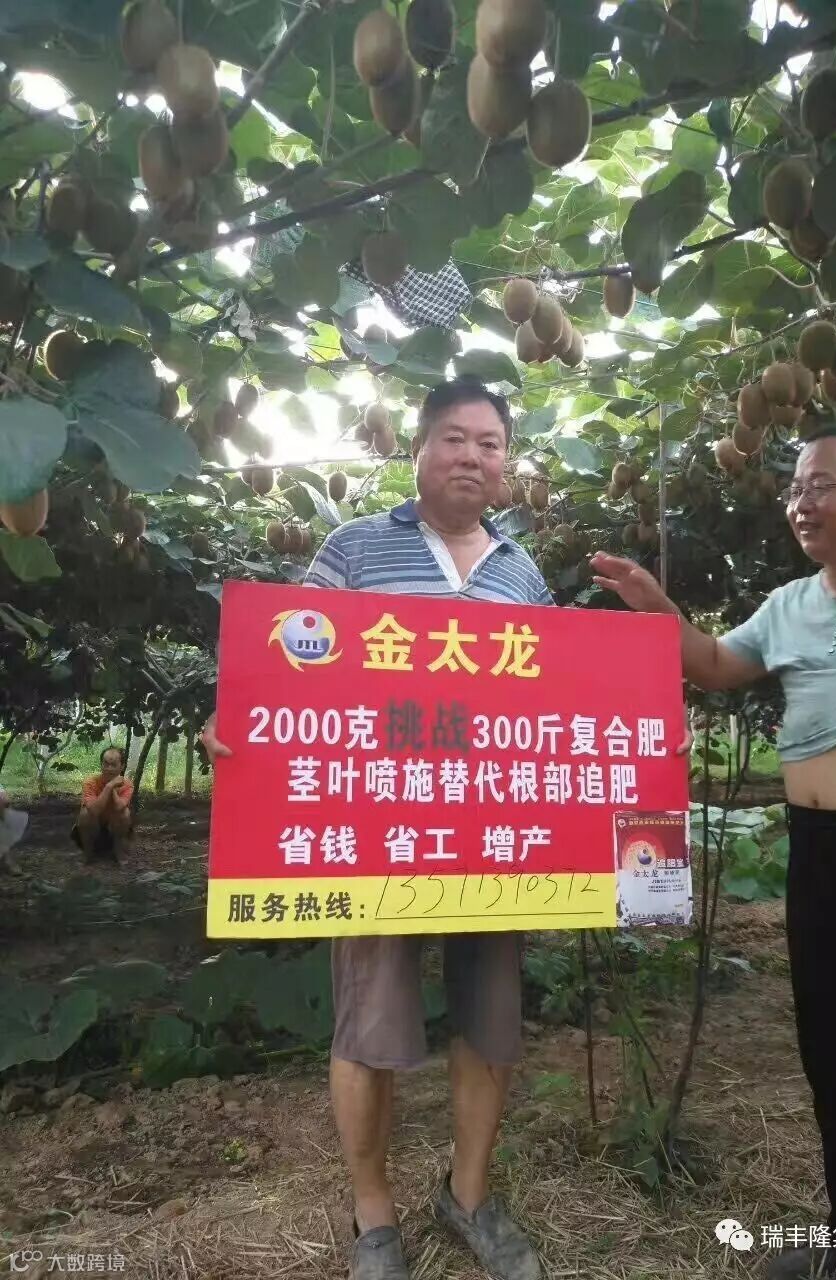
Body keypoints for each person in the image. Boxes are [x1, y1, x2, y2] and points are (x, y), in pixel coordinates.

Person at [592, 425, 836, 1280]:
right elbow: (718, 665)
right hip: (821, 858)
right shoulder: (792, 604)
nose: (801, 503)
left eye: (821, 485)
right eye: (795, 488)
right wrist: (656, 607)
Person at [205, 379, 553, 1280]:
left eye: (489, 443)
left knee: (490, 1022)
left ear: (505, 462)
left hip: (492, 833)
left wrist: (646, 736)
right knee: (370, 1024)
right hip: (376, 832)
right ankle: (374, 1219)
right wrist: (234, 720)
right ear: (419, 449)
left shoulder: (521, 572)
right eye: (454, 438)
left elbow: (563, 696)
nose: (472, 456)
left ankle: (468, 1197)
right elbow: (286, 662)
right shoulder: (353, 548)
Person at [72, 746, 133, 863]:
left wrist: (112, 788)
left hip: (113, 828)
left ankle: (118, 850)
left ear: (122, 766)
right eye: (106, 764)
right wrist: (109, 786)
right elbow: (94, 811)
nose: (109, 769)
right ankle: (87, 853)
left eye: (113, 765)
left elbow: (119, 807)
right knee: (85, 813)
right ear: (101, 765)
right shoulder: (90, 782)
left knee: (125, 813)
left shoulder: (127, 785)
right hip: (93, 827)